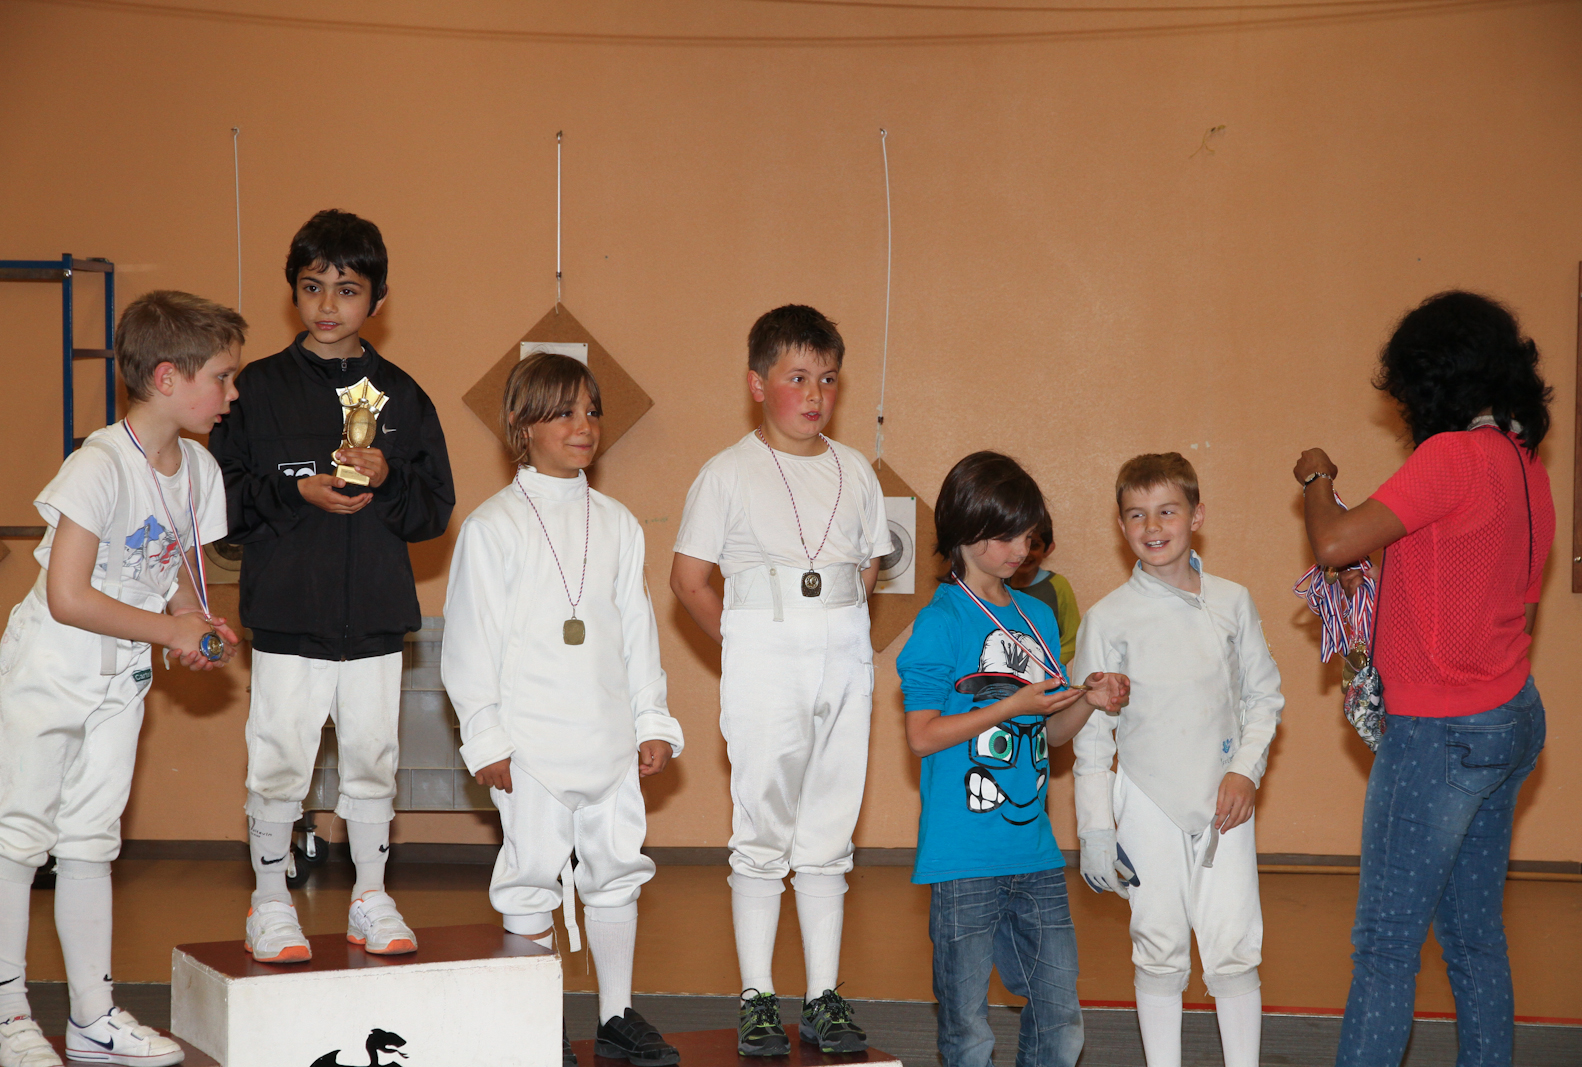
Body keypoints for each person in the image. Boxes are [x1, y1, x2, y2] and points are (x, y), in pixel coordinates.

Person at [1294, 291, 1554, 1067]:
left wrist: (1316, 475)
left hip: (1440, 733)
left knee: (1384, 944)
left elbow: (1334, 541)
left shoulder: (1451, 456)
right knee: (1473, 938)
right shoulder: (1523, 466)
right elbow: (1494, 595)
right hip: (1509, 716)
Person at [0, 290, 246, 1067]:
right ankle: (7, 1015)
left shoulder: (199, 468)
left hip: (120, 675)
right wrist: (169, 629)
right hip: (51, 665)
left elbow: (174, 575)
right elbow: (68, 596)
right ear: (168, 377)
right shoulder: (99, 463)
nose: (232, 392)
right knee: (18, 836)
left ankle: (92, 1017)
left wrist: (196, 625)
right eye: (222, 376)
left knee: (90, 839)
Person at [208, 209, 454, 964]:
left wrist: (388, 478)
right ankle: (270, 902)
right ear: (293, 292)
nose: (327, 305)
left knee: (374, 758)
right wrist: (296, 493)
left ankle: (371, 897)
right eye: (313, 286)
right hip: (288, 618)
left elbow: (433, 510)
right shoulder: (254, 391)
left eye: (347, 290)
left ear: (376, 300)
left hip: (375, 618)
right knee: (279, 757)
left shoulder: (402, 396)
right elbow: (220, 505)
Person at [441, 354, 683, 1067]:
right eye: (565, 412)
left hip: (609, 741)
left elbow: (637, 632)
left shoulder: (617, 523)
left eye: (592, 411)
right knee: (530, 876)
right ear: (522, 424)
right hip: (530, 749)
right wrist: (485, 735)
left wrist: (651, 720)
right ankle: (536, 1023)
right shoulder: (493, 527)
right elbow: (469, 643)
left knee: (616, 869)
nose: (585, 426)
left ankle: (615, 1015)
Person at [669, 305, 890, 1056]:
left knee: (829, 825)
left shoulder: (855, 470)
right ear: (758, 384)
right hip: (763, 650)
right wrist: (745, 645)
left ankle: (824, 994)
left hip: (843, 651)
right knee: (762, 825)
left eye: (828, 378)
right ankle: (757, 995)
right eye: (797, 377)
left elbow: (866, 569)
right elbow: (689, 579)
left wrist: (837, 638)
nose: (815, 393)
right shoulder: (727, 472)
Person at [896, 451, 1127, 1067]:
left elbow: (1051, 735)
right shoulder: (940, 621)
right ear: (962, 532)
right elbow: (922, 736)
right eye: (1003, 537)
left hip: (1034, 852)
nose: (1019, 550)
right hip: (961, 859)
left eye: (1026, 535)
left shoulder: (1038, 614)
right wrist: (1012, 704)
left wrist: (1087, 701)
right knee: (967, 1030)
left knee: (1061, 1020)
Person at [1073, 452, 1284, 1067]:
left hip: (1225, 800)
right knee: (1158, 945)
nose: (1153, 526)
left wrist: (1245, 771)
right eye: (1137, 514)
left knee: (1234, 946)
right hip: (1146, 801)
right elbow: (1093, 735)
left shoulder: (1232, 601)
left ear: (1196, 516)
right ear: (1121, 525)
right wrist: (1095, 829)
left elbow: (1263, 697)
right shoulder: (1108, 618)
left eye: (1167, 511)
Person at [1006, 521, 1081, 667]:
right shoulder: (999, 585)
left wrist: (1046, 665)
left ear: (1048, 549)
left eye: (1034, 545)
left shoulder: (1058, 585)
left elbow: (1073, 638)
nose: (1025, 552)